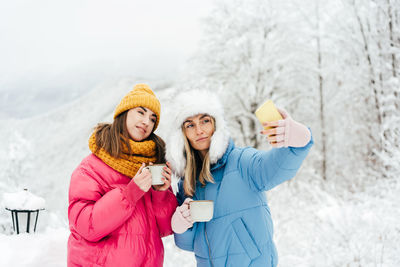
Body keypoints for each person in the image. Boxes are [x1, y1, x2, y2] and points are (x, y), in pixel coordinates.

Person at [166, 90, 313, 267]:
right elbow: (190, 244)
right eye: (190, 125)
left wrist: (298, 142)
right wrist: (181, 227)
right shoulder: (187, 183)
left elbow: (276, 168)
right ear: (183, 134)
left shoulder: (242, 161)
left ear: (216, 125)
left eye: (205, 121)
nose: (199, 130)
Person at [67, 84, 178, 267]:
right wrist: (130, 194)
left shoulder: (153, 163)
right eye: (141, 112)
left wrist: (160, 193)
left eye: (152, 118)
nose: (146, 122)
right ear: (124, 113)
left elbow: (165, 228)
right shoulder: (91, 168)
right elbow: (86, 226)